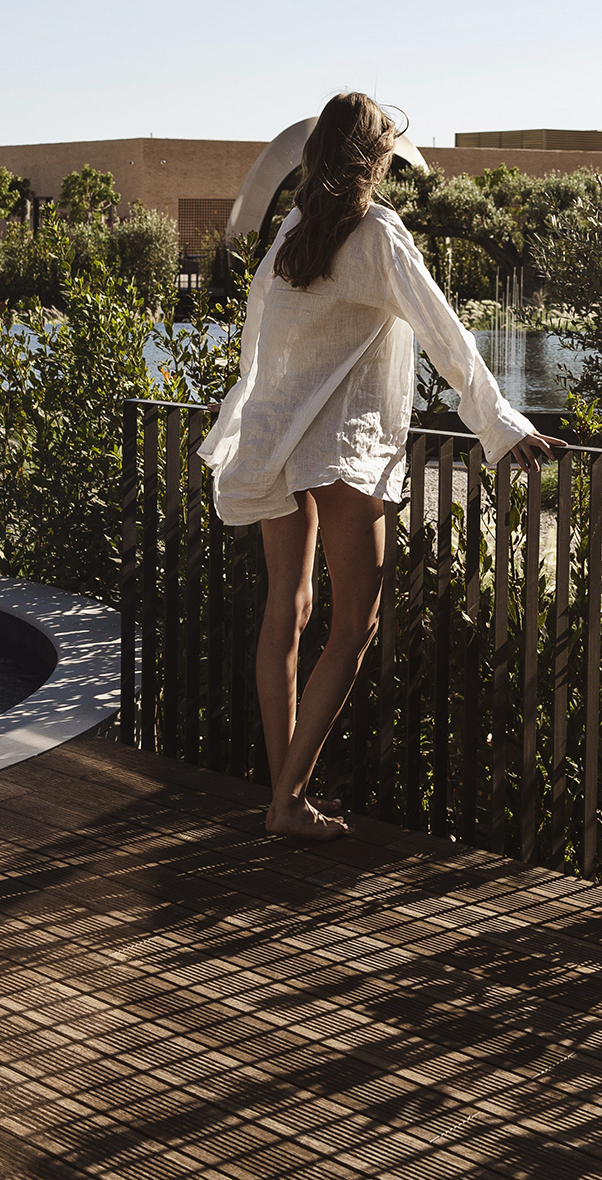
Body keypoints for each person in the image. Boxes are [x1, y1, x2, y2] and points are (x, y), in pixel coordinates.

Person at [198, 92, 559, 839]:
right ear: (376, 156)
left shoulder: (292, 234)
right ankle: (288, 801)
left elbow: (257, 344)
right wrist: (501, 423)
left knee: (286, 613)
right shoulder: (379, 235)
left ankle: (283, 795)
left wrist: (249, 422)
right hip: (339, 448)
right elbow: (445, 334)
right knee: (354, 625)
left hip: (277, 438)